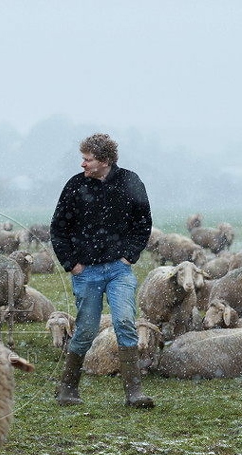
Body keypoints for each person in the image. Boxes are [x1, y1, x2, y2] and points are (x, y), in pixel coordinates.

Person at [49, 133, 154, 408]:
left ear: (104, 161)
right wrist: (72, 264)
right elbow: (59, 228)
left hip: (119, 271)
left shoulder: (130, 182)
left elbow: (143, 221)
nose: (83, 164)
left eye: (88, 159)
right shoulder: (74, 186)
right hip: (87, 272)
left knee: (125, 322)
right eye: (83, 159)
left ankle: (134, 393)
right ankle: (68, 389)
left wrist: (129, 256)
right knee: (85, 330)